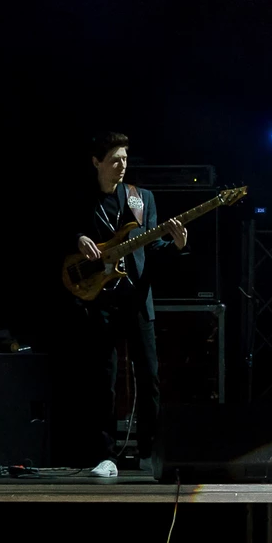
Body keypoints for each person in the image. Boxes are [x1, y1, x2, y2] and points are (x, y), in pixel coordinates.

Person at [72, 133, 185, 474]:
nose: (122, 166)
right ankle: (105, 454)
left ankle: (149, 451)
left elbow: (151, 248)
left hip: (136, 299)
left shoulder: (141, 198)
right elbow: (63, 236)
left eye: (124, 159)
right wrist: (78, 239)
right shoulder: (83, 198)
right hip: (101, 300)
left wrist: (176, 245)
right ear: (96, 162)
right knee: (104, 380)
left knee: (149, 376)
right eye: (114, 160)